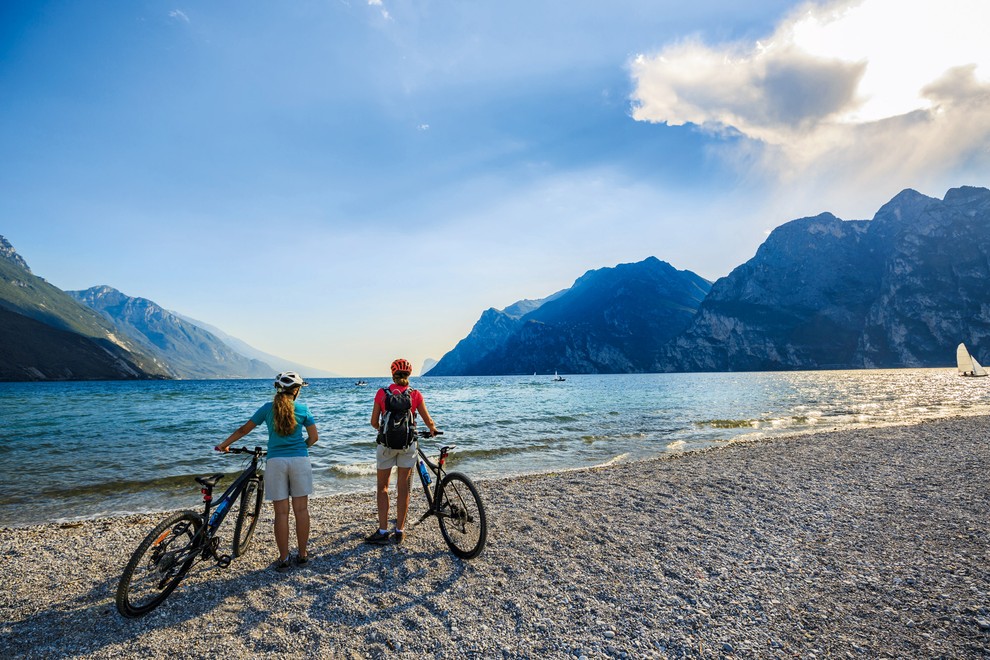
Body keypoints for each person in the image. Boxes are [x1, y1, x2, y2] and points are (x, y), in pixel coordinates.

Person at [216, 371, 318, 572]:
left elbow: (243, 430)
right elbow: (314, 438)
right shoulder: (303, 408)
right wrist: (301, 448)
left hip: (275, 462)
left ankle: (283, 558)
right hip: (299, 460)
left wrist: (224, 445)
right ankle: (303, 555)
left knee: (281, 513)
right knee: (301, 510)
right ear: (296, 390)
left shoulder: (266, 409)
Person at [366, 358, 437, 546]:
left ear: (392, 374)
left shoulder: (382, 393)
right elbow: (428, 421)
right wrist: (432, 429)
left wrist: (385, 430)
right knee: (403, 488)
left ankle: (382, 531)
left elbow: (374, 422)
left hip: (386, 446)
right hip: (408, 446)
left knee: (383, 487)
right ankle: (400, 531)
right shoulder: (415, 394)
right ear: (409, 375)